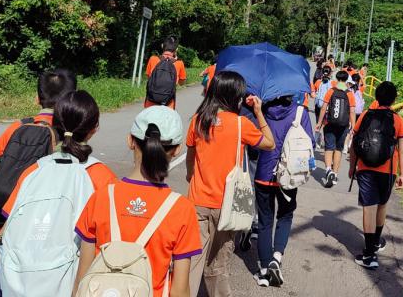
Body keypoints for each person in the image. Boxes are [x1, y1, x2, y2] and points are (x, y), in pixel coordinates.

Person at [0, 90, 116, 297]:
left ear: (55, 125)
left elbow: (4, 237)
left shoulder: (34, 171)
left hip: (23, 286)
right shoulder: (102, 177)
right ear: (94, 128)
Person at [73, 106, 202, 297]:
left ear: (130, 141)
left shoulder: (101, 197)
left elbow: (83, 276)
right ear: (177, 150)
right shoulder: (182, 209)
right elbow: (180, 289)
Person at [0, 69, 77, 297]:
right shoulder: (70, 136)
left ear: (37, 98)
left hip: (3, 228)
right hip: (46, 235)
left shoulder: (18, 128)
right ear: (72, 98)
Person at [185, 71, 275, 297]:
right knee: (217, 266)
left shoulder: (198, 120)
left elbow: (190, 159)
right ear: (234, 96)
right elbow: (270, 144)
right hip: (226, 207)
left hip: (197, 202)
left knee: (192, 262)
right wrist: (258, 112)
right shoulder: (240, 124)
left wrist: (191, 177)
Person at [252, 95, 316, 288]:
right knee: (285, 216)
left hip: (263, 173)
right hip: (289, 176)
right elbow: (310, 144)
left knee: (264, 221)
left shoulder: (261, 111)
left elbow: (253, 146)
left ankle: (263, 271)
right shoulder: (300, 112)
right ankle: (276, 258)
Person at [349, 81, 403, 270]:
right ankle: (375, 243)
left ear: (376, 96)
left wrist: (352, 167)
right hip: (388, 170)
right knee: (382, 205)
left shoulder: (366, 115)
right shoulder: (398, 120)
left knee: (369, 207)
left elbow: (354, 144)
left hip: (365, 168)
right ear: (394, 100)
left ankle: (368, 255)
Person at [315, 69, 356, 188]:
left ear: (337, 79)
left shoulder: (331, 91)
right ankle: (335, 173)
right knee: (338, 148)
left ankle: (328, 170)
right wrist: (353, 126)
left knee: (329, 147)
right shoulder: (349, 94)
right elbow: (352, 111)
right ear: (346, 80)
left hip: (329, 123)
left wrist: (319, 122)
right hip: (343, 126)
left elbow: (323, 108)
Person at [145, 36, 187, 109]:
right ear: (176, 49)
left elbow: (149, 77)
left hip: (150, 104)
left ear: (162, 46)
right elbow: (181, 83)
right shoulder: (179, 63)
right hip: (168, 105)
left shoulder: (153, 59)